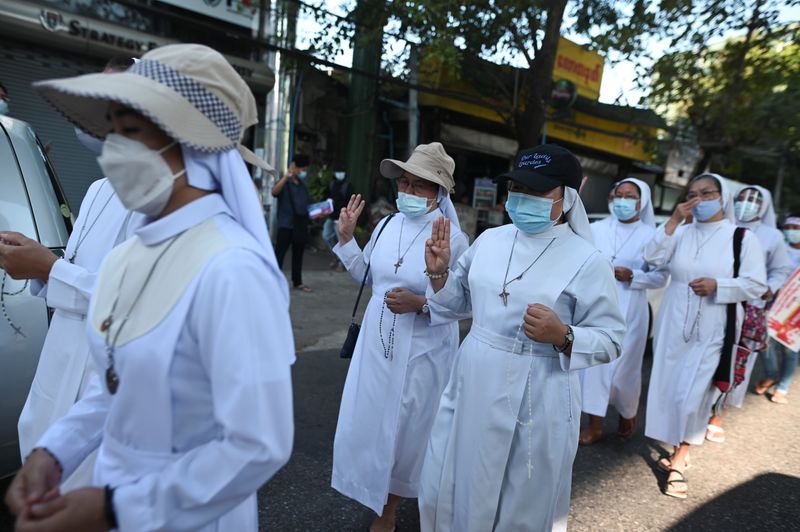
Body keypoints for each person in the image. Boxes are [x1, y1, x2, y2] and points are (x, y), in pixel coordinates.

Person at [4, 44, 294, 531]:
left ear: (190, 142)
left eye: (131, 130)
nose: (114, 148)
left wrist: (114, 507)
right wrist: (53, 452)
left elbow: (257, 444)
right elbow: (114, 383)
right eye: (111, 130)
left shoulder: (231, 269)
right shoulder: (128, 257)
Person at [418, 144, 626, 531]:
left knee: (519, 497)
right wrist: (438, 273)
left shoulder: (587, 260)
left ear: (567, 198)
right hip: (474, 377)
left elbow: (612, 338)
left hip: (537, 387)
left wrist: (563, 335)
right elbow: (454, 305)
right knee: (452, 477)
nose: (521, 198)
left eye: (536, 191)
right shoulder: (491, 239)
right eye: (516, 188)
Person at [0, 56, 139, 491]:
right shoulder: (99, 188)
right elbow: (75, 271)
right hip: (57, 376)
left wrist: (48, 266)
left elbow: (137, 304)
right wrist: (37, 264)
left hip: (106, 386)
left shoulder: (166, 200)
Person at [331, 143, 468, 532]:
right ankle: (370, 489)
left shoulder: (454, 240)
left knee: (408, 427)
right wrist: (346, 239)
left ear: (439, 191)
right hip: (377, 344)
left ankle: (387, 510)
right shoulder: (388, 225)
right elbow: (369, 278)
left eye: (418, 185)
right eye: (404, 182)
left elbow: (462, 304)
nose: (406, 191)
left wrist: (422, 303)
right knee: (373, 419)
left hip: (423, 349)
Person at [643, 173, 767, 499]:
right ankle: (674, 444)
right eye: (692, 194)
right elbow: (652, 258)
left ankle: (681, 459)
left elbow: (756, 284)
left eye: (706, 192)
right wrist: (673, 220)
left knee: (695, 394)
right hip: (673, 326)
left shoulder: (742, 237)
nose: (698, 199)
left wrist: (719, 286)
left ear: (722, 196)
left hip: (715, 327)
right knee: (671, 391)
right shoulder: (681, 232)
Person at [579, 178, 668, 444]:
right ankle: (594, 424)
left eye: (630, 196)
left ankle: (626, 412)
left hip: (632, 308)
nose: (623, 200)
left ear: (642, 203)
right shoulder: (596, 228)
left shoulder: (652, 236)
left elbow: (660, 277)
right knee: (595, 365)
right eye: (619, 194)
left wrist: (634, 276)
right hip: (597, 305)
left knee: (626, 366)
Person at [705, 185, 791, 441]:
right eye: (742, 198)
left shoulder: (772, 236)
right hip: (716, 300)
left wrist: (768, 289)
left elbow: (781, 269)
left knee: (737, 362)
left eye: (753, 200)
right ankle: (700, 408)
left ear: (764, 205)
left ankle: (719, 414)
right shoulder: (723, 226)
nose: (746, 203)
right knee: (710, 356)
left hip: (750, 307)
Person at [754, 214, 800, 404]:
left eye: (795, 228)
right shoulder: (779, 250)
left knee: (790, 349)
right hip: (772, 304)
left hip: (795, 310)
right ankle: (772, 374)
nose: (791, 231)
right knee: (765, 341)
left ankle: (782, 388)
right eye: (787, 227)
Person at [272, 154, 312, 291]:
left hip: (299, 225)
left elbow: (306, 204)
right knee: (280, 254)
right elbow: (274, 192)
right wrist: (286, 176)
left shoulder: (302, 185)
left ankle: (297, 281)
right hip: (285, 224)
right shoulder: (285, 182)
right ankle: (272, 281)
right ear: (295, 167)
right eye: (302, 169)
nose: (303, 172)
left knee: (298, 254)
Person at [324, 168, 352, 272]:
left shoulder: (348, 185)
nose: (339, 174)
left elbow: (350, 202)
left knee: (341, 241)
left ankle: (341, 263)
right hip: (331, 216)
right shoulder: (331, 184)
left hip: (341, 218)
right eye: (338, 171)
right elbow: (326, 197)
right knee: (326, 236)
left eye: (341, 171)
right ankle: (336, 256)